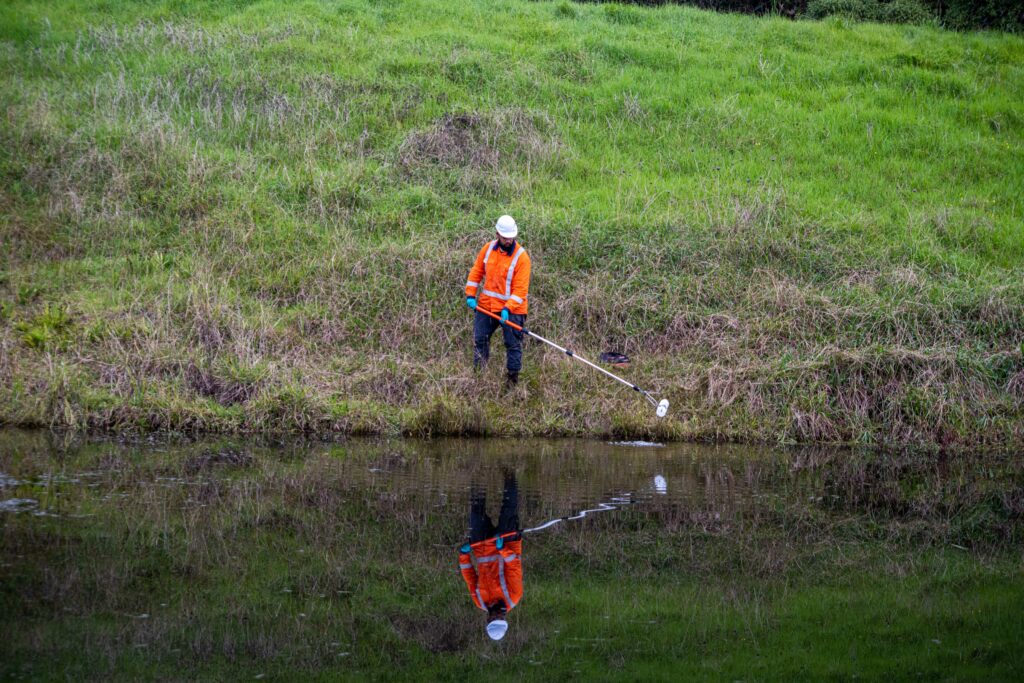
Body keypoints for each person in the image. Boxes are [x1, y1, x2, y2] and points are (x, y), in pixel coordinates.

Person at [465, 215, 532, 389]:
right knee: (480, 339)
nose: (508, 241)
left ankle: (512, 382)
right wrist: (470, 295)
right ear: (497, 234)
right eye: (504, 238)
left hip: (513, 310)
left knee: (513, 345)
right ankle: (479, 377)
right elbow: (476, 272)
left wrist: (508, 308)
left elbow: (520, 290)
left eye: (511, 238)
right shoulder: (487, 249)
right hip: (487, 306)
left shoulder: (522, 258)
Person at [458, 471, 522, 641]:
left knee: (475, 509)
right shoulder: (514, 596)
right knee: (509, 505)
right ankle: (509, 471)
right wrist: (501, 549)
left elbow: (470, 577)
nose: (498, 617)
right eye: (501, 620)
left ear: (488, 620)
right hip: (507, 542)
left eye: (495, 620)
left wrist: (464, 556)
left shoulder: (480, 601)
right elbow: (513, 563)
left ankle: (478, 469)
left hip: (482, 546)